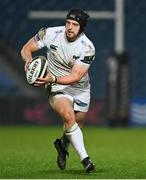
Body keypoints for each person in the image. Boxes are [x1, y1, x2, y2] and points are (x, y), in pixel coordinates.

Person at [21, 9, 95, 173]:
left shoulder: (87, 48)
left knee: (77, 123)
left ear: (81, 27)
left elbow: (76, 76)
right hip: (56, 85)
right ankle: (86, 160)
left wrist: (52, 78)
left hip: (80, 87)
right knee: (68, 116)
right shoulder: (50, 33)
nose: (69, 27)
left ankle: (62, 145)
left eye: (75, 25)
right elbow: (26, 48)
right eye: (68, 22)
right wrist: (28, 60)